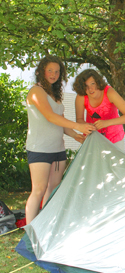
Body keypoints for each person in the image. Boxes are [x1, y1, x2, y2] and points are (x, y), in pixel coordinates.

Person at [25, 55, 96, 224]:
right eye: (50, 70)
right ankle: (30, 232)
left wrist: (77, 136)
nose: (53, 74)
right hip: (39, 148)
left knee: (53, 189)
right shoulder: (36, 91)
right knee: (39, 190)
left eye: (57, 71)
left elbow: (61, 124)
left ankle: (45, 225)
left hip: (57, 149)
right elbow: (50, 117)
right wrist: (78, 126)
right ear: (42, 71)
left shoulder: (55, 94)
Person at [73, 69, 125, 154]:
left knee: (114, 166)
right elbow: (79, 119)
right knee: (95, 166)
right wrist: (87, 126)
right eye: (85, 86)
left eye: (92, 83)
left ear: (98, 82)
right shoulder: (81, 97)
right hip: (93, 138)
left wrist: (106, 123)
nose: (90, 88)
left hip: (114, 138)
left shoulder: (110, 92)